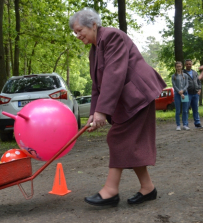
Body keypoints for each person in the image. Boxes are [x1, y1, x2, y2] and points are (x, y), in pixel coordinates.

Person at [69, 8, 166, 207]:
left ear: (93, 25)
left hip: (139, 94)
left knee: (118, 138)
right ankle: (148, 188)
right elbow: (97, 86)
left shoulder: (112, 36)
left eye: (80, 30)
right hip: (126, 99)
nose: (78, 35)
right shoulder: (94, 51)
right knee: (130, 143)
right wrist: (94, 113)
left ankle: (111, 191)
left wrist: (102, 111)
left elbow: (114, 74)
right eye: (75, 32)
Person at [183, 59, 203, 129]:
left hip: (195, 94)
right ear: (185, 65)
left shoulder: (195, 72)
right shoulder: (182, 72)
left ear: (192, 64)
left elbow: (199, 81)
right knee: (185, 109)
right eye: (187, 64)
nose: (188, 65)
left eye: (190, 64)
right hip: (186, 94)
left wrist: (199, 89)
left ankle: (197, 123)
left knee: (196, 109)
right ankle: (185, 124)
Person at [172, 61, 189, 131]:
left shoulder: (185, 75)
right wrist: (180, 92)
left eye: (180, 66)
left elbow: (187, 84)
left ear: (182, 66)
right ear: (175, 67)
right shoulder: (174, 76)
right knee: (178, 111)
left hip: (185, 94)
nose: (178, 68)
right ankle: (178, 125)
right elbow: (174, 85)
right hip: (177, 94)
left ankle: (185, 124)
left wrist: (183, 91)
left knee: (185, 110)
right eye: (177, 66)